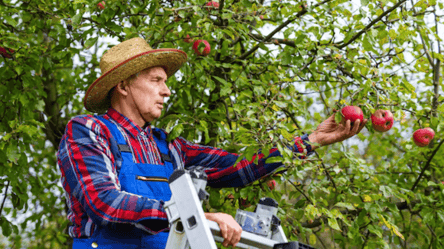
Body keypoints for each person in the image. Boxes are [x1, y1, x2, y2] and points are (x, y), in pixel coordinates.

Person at [57, 37, 367, 249]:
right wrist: (194, 216)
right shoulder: (88, 131)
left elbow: (242, 167)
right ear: (123, 85)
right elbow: (105, 203)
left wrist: (312, 140)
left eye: (166, 82)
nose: (166, 91)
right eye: (156, 80)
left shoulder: (171, 149)